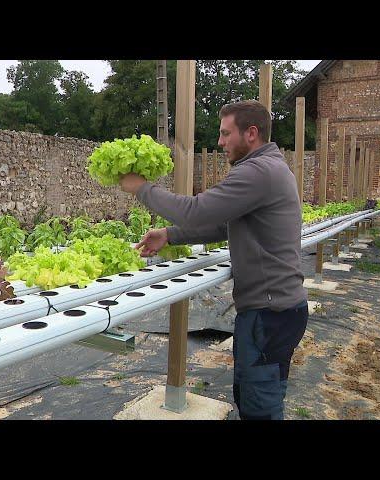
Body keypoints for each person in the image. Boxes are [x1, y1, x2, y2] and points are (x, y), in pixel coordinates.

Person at [119, 100, 308, 420]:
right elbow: (224, 224)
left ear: (251, 133)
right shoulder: (271, 167)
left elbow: (197, 210)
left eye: (225, 133)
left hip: (269, 314)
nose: (219, 142)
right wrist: (171, 235)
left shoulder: (258, 172)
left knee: (260, 408)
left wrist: (142, 188)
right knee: (257, 397)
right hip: (278, 310)